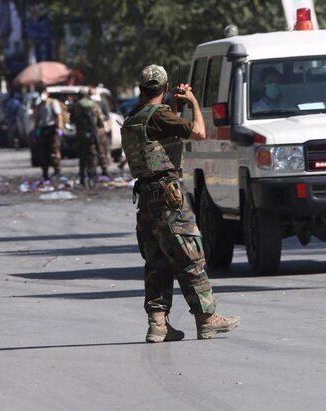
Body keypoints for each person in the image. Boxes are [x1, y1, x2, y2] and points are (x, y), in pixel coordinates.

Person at [121, 64, 241, 343]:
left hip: (146, 199)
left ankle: (157, 324)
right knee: (190, 257)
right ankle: (207, 318)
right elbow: (198, 132)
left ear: (141, 89)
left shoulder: (133, 118)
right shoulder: (160, 115)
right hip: (168, 197)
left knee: (157, 262)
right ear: (164, 88)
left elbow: (163, 130)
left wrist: (174, 104)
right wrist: (194, 102)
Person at [72, 90, 103, 187]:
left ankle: (82, 178)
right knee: (92, 155)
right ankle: (92, 177)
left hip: (81, 135)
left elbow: (72, 119)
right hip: (92, 134)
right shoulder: (93, 104)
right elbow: (100, 120)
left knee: (82, 156)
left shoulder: (76, 106)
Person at [33, 88, 64, 180]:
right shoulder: (39, 105)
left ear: (47, 93)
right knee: (43, 151)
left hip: (52, 128)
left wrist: (59, 128)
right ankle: (45, 172)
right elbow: (37, 118)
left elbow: (59, 115)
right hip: (44, 129)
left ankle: (57, 170)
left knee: (54, 150)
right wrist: (36, 130)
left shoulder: (53, 103)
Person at [90, 87, 112, 176]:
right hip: (91, 130)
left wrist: (101, 119)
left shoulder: (102, 102)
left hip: (100, 130)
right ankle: (93, 169)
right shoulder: (88, 104)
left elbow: (107, 116)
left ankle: (104, 168)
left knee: (102, 150)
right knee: (92, 150)